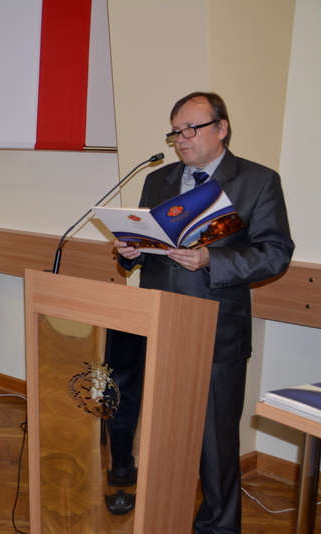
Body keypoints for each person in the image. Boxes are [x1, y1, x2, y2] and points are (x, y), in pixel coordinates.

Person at [114, 92, 293, 534]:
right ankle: (164, 512)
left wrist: (213, 259)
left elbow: (275, 253)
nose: (182, 139)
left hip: (217, 329)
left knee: (215, 441)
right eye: (176, 131)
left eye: (192, 128)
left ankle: (218, 525)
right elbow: (148, 247)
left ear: (222, 128)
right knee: (165, 432)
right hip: (161, 321)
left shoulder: (257, 181)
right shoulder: (158, 180)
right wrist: (131, 252)